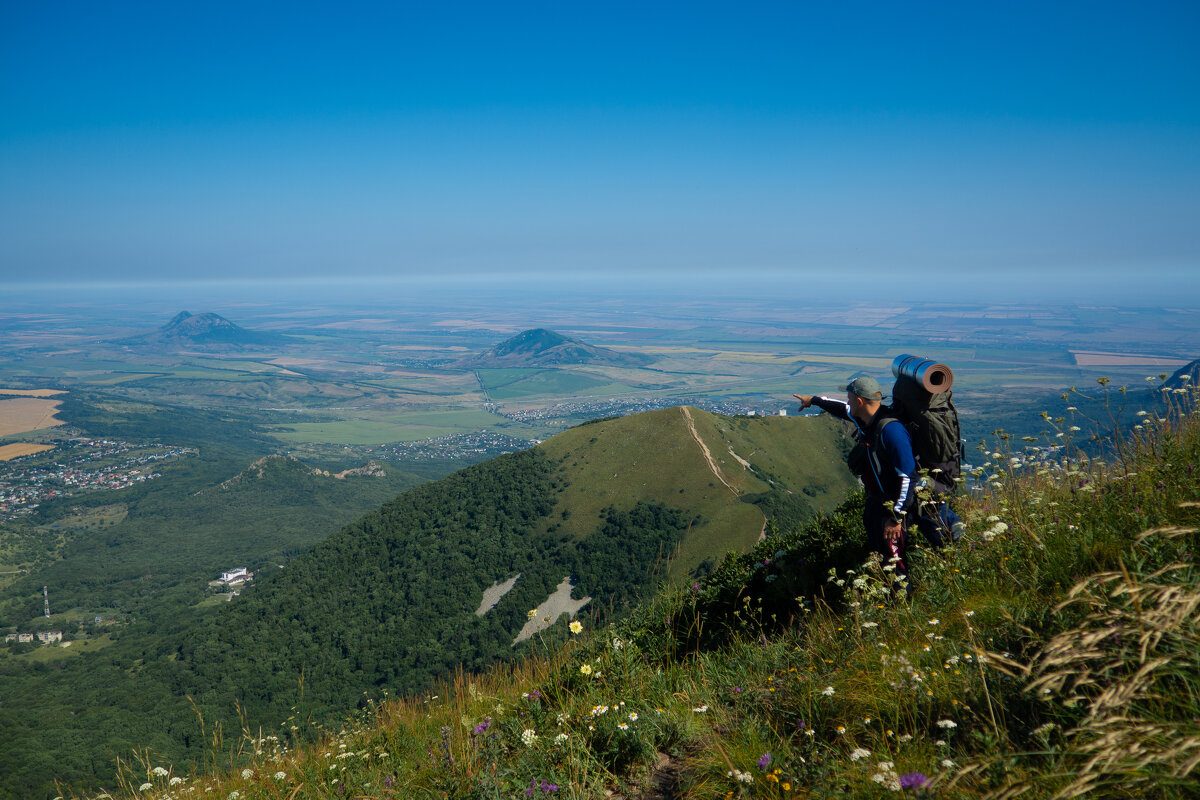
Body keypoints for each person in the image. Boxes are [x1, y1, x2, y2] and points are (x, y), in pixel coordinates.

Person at [795, 377, 917, 587]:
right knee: (881, 555)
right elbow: (842, 409)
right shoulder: (868, 419)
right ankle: (888, 598)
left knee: (895, 561)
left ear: (860, 401)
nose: (848, 401)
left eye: (850, 397)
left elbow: (908, 476)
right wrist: (813, 400)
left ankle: (901, 605)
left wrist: (896, 516)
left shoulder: (891, 431)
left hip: (891, 507)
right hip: (877, 503)